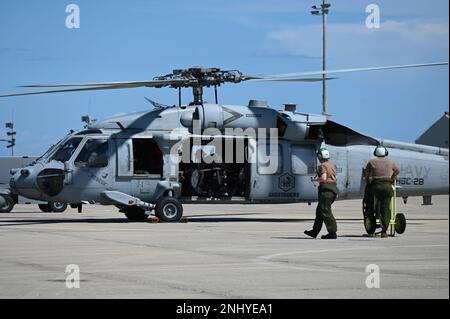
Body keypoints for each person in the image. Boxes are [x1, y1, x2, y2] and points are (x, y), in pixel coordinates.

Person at [364, 146, 400, 238]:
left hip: (376, 186)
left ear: (375, 153)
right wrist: (392, 178)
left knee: (371, 200)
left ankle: (371, 215)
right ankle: (384, 232)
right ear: (385, 153)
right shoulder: (390, 162)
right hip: (387, 187)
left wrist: (368, 182)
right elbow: (397, 170)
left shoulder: (371, 162)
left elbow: (366, 174)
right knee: (386, 208)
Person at [305, 148, 339, 239]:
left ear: (320, 156)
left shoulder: (322, 166)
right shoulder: (332, 165)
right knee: (319, 211)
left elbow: (323, 178)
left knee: (325, 210)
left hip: (326, 190)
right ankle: (314, 231)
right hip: (332, 189)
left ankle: (332, 232)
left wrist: (315, 179)